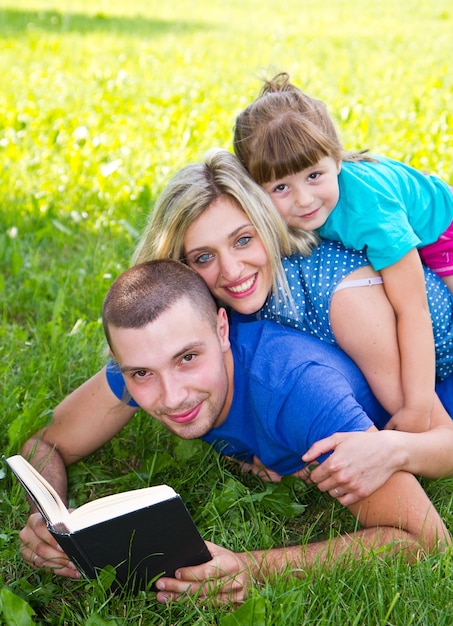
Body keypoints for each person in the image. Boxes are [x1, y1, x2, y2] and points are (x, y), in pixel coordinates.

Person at [19, 259, 451, 604]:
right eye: (141, 374)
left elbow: (425, 539)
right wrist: (46, 515)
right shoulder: (143, 358)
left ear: (222, 330)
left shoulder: (295, 390)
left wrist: (251, 565)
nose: (171, 397)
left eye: (188, 358)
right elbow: (43, 443)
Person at [233, 72, 453, 434]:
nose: (304, 199)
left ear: (336, 160)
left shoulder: (371, 214)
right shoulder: (283, 208)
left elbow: (412, 310)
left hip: (443, 229)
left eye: (314, 176)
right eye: (281, 186)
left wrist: (417, 407)